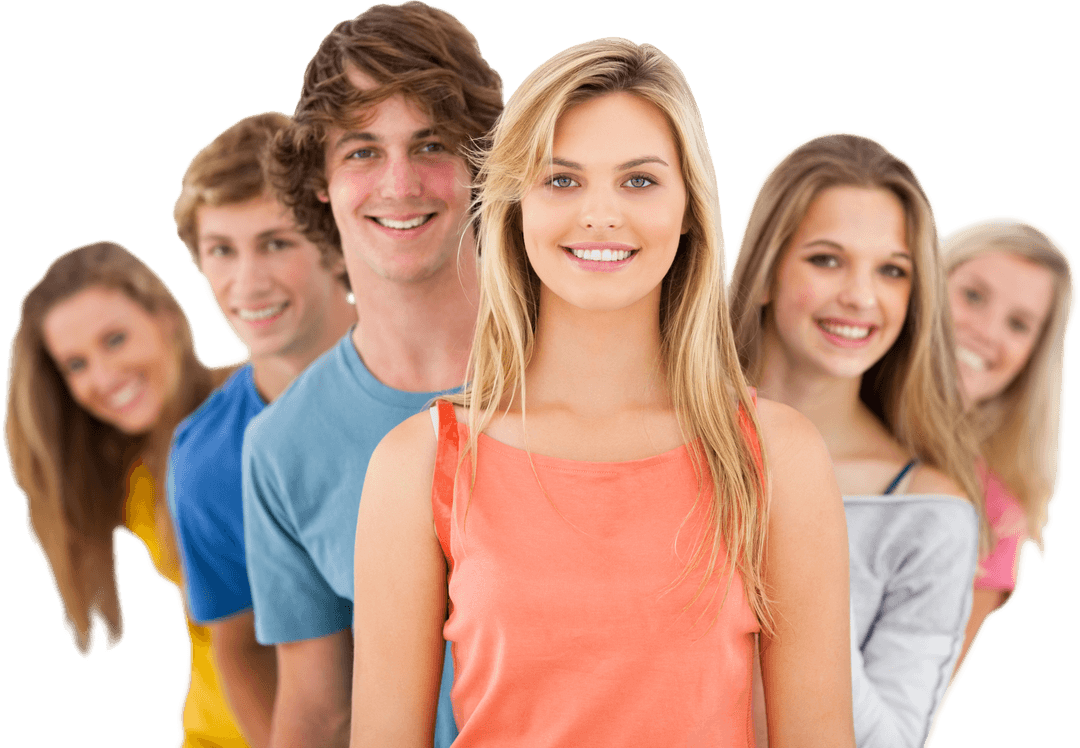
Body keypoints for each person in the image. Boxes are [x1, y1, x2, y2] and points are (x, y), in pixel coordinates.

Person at [351, 38, 854, 748]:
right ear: (516, 206)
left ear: (687, 209)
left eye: (639, 181)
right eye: (561, 180)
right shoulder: (419, 463)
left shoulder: (778, 455)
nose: (600, 213)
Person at [240, 3, 503, 747]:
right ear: (320, 179)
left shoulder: (593, 366)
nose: (399, 183)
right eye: (361, 151)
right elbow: (319, 712)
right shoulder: (283, 449)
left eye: (431, 144)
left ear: (481, 161)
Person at [728, 131, 984, 748]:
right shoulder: (662, 434)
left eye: (892, 271)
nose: (861, 298)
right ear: (766, 272)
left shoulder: (928, 512)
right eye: (826, 259)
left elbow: (891, 742)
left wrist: (799, 559)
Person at [4, 239, 248, 747]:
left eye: (114, 339)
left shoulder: (256, 406)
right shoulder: (133, 475)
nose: (103, 378)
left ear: (166, 317)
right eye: (75, 365)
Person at [167, 110, 358, 748]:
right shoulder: (206, 457)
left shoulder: (439, 383)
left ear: (334, 245)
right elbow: (243, 646)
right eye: (222, 249)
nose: (246, 284)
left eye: (276, 243)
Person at [942, 216, 1076, 665]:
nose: (987, 332)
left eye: (1019, 325)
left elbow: (917, 705)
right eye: (973, 296)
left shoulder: (995, 507)